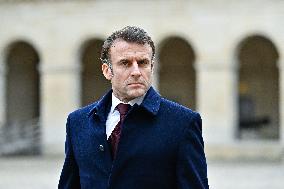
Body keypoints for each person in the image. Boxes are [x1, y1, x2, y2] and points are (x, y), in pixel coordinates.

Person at [58, 26, 209, 189]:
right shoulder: (78, 122)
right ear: (107, 70)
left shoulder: (183, 123)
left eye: (143, 63)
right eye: (125, 63)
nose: (136, 71)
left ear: (151, 67)